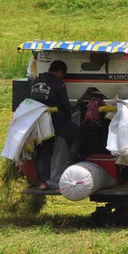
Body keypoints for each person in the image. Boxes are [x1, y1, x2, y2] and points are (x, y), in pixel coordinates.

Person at [29, 60, 80, 190]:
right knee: (76, 133)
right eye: (63, 74)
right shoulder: (58, 83)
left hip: (37, 119)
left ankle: (42, 182)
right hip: (53, 117)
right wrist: (68, 118)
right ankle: (72, 164)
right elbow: (64, 104)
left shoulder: (36, 80)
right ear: (59, 72)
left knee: (44, 148)